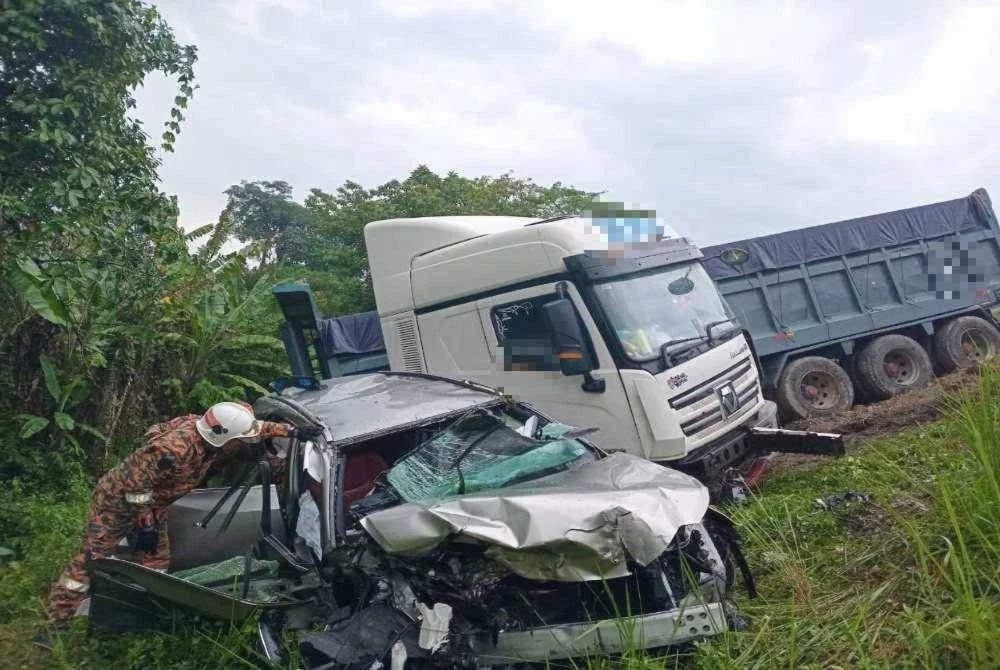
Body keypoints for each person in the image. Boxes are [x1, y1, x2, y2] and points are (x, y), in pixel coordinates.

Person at [45, 400, 323, 626]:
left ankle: (134, 608)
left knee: (156, 560)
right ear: (223, 438)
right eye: (240, 441)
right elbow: (135, 487)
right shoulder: (172, 450)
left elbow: (252, 428)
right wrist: (145, 526)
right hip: (116, 503)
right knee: (91, 559)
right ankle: (54, 622)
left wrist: (291, 432)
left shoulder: (214, 431)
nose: (245, 445)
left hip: (153, 504)